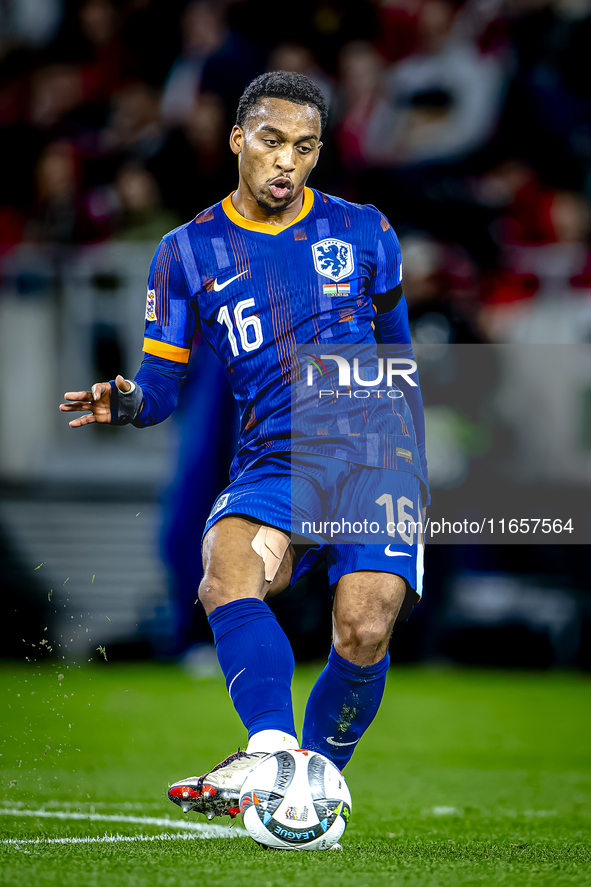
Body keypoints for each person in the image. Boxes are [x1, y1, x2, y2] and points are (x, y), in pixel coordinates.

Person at [60, 71, 429, 823]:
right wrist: (125, 400)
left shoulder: (365, 231)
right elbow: (161, 388)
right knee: (224, 572)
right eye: (270, 141)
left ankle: (311, 792)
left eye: (304, 147)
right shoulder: (186, 251)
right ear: (237, 140)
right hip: (275, 456)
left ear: (319, 152)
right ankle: (270, 749)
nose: (286, 161)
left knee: (363, 626)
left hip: (373, 454)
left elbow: (400, 357)